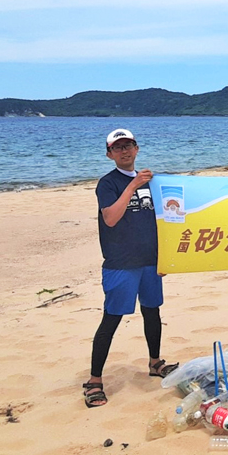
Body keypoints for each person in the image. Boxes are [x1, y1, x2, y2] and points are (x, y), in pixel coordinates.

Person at [82, 128, 179, 408]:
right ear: (109, 154)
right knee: (111, 319)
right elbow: (110, 218)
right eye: (118, 147)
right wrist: (132, 186)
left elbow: (168, 217)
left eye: (129, 146)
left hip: (150, 261)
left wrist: (168, 258)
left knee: (152, 312)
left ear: (137, 149)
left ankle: (155, 362)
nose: (124, 151)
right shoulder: (108, 183)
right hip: (121, 263)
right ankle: (95, 380)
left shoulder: (153, 182)